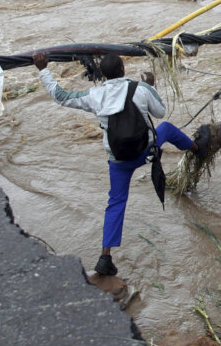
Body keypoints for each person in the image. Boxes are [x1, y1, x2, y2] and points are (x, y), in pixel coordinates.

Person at [33, 51, 196, 277]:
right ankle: (197, 148)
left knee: (116, 202)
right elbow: (160, 112)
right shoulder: (141, 88)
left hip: (119, 160)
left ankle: (105, 256)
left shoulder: (95, 95)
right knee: (166, 128)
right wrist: (152, 85)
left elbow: (61, 96)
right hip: (144, 150)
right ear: (123, 70)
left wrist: (43, 69)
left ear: (102, 74)